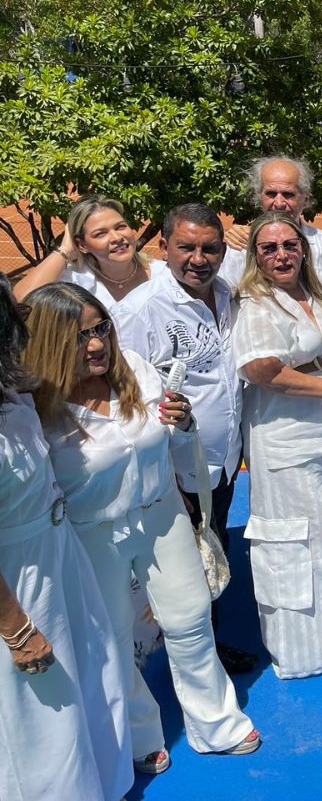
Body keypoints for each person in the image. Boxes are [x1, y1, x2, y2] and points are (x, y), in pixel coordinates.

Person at [23, 283, 259, 776]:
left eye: (99, 327)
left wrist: (185, 424)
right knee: (112, 637)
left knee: (191, 618)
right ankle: (139, 732)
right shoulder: (37, 409)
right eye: (78, 335)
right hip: (93, 533)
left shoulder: (132, 366)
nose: (95, 344)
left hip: (161, 512)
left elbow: (173, 441)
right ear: (49, 340)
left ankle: (216, 722)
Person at [0, 275, 132, 801]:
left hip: (59, 556)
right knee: (39, 710)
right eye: (14, 313)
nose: (24, 317)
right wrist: (15, 628)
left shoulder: (14, 387)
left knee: (90, 677)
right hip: (17, 583)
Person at [123, 203, 259, 675]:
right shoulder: (141, 311)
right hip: (173, 468)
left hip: (220, 462)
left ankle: (209, 648)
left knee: (212, 550)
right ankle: (187, 663)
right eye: (186, 247)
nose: (198, 258)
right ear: (164, 247)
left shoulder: (226, 293)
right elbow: (120, 393)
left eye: (209, 248)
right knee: (181, 569)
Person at [233, 213, 322, 678]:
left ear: (303, 248)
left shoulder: (311, 290)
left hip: (318, 432)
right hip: (283, 439)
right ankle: (304, 649)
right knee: (294, 539)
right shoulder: (256, 303)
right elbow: (261, 370)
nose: (281, 254)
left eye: (289, 244)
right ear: (255, 256)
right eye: (269, 248)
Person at [15, 195, 165, 335]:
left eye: (120, 227)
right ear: (82, 245)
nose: (116, 237)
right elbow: (23, 300)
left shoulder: (164, 275)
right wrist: (65, 250)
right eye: (100, 234)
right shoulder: (76, 282)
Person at [220, 155, 322, 298]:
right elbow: (226, 303)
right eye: (271, 193)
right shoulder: (239, 246)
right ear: (259, 197)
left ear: (305, 198)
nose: (279, 203)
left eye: (288, 194)